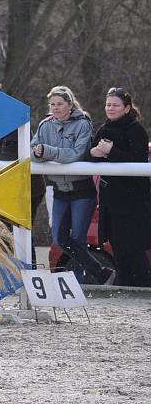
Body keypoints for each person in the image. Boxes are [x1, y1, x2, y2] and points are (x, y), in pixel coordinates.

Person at [31, 85, 113, 285]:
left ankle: (80, 280)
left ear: (69, 104)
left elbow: (76, 154)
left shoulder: (83, 123)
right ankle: (99, 272)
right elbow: (33, 152)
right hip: (60, 191)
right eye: (52, 104)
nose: (55, 108)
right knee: (60, 239)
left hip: (82, 191)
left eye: (59, 104)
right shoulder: (44, 125)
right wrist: (39, 153)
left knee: (78, 239)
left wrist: (47, 152)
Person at [87, 87, 151, 287]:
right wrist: (94, 153)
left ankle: (141, 287)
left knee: (132, 246)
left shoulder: (136, 130)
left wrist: (111, 151)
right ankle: (125, 286)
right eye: (108, 105)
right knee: (115, 244)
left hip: (133, 200)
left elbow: (137, 159)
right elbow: (92, 155)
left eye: (115, 105)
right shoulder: (104, 128)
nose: (110, 108)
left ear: (127, 108)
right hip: (110, 199)